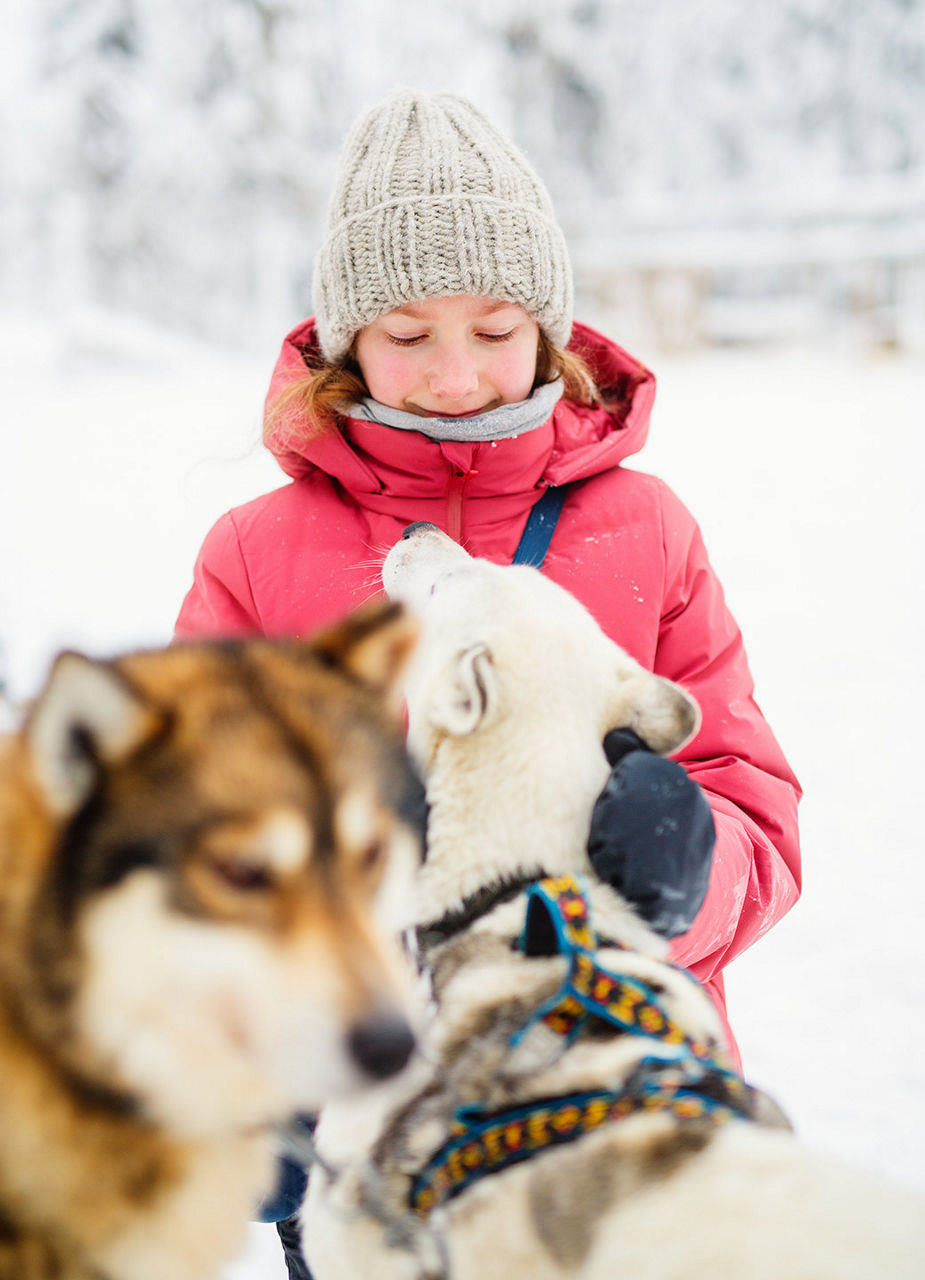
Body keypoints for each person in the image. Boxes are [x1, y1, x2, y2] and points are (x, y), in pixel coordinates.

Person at [174, 89, 801, 1276]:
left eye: (496, 326)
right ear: (347, 336)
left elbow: (755, 805)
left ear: (549, 326)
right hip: (373, 1129)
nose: (454, 375)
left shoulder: (647, 530)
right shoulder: (253, 554)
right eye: (406, 335)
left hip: (612, 1111)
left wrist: (694, 860)